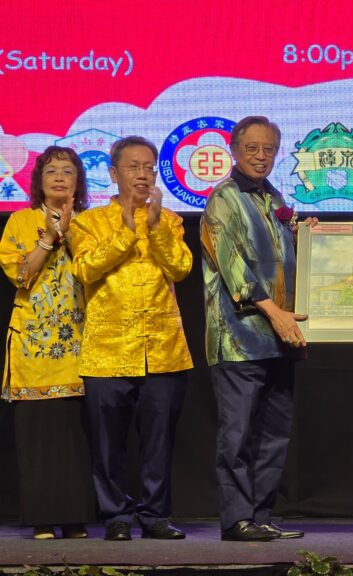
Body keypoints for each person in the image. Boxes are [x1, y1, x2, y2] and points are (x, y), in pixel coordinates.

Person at [70, 136, 193, 541]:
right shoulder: (88, 222)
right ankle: (116, 517)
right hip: (108, 350)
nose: (142, 175)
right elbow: (85, 270)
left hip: (163, 348)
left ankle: (155, 516)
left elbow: (181, 268)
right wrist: (125, 230)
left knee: (159, 441)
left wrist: (154, 228)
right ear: (113, 173)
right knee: (108, 444)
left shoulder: (169, 220)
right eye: (133, 167)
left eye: (148, 167)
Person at [201, 116, 316, 542]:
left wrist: (306, 239)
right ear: (234, 151)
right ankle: (237, 520)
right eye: (252, 148)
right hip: (240, 338)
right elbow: (233, 268)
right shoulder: (223, 199)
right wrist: (275, 313)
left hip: (282, 338)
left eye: (268, 149)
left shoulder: (275, 198)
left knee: (274, 434)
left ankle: (261, 516)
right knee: (237, 435)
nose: (261, 156)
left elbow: (282, 261)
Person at [0, 146, 94, 539]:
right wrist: (50, 237)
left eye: (68, 171)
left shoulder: (91, 223)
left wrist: (70, 231)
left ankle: (74, 519)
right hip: (34, 345)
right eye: (51, 170)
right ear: (39, 180)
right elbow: (21, 276)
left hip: (81, 342)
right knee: (37, 433)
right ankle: (41, 518)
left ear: (79, 182)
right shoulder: (21, 221)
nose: (59, 177)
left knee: (75, 433)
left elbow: (95, 271)